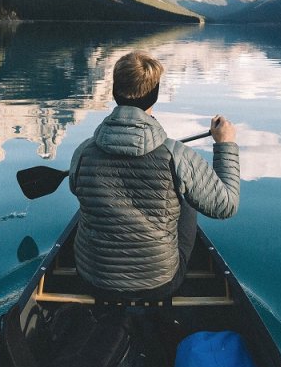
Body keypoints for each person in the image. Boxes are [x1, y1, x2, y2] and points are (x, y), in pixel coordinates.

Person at [69, 51, 239, 299]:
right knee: (186, 201)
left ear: (115, 92)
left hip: (92, 278)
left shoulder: (83, 152)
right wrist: (225, 145)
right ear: (155, 95)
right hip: (159, 283)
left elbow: (76, 188)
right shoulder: (177, 156)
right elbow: (226, 205)